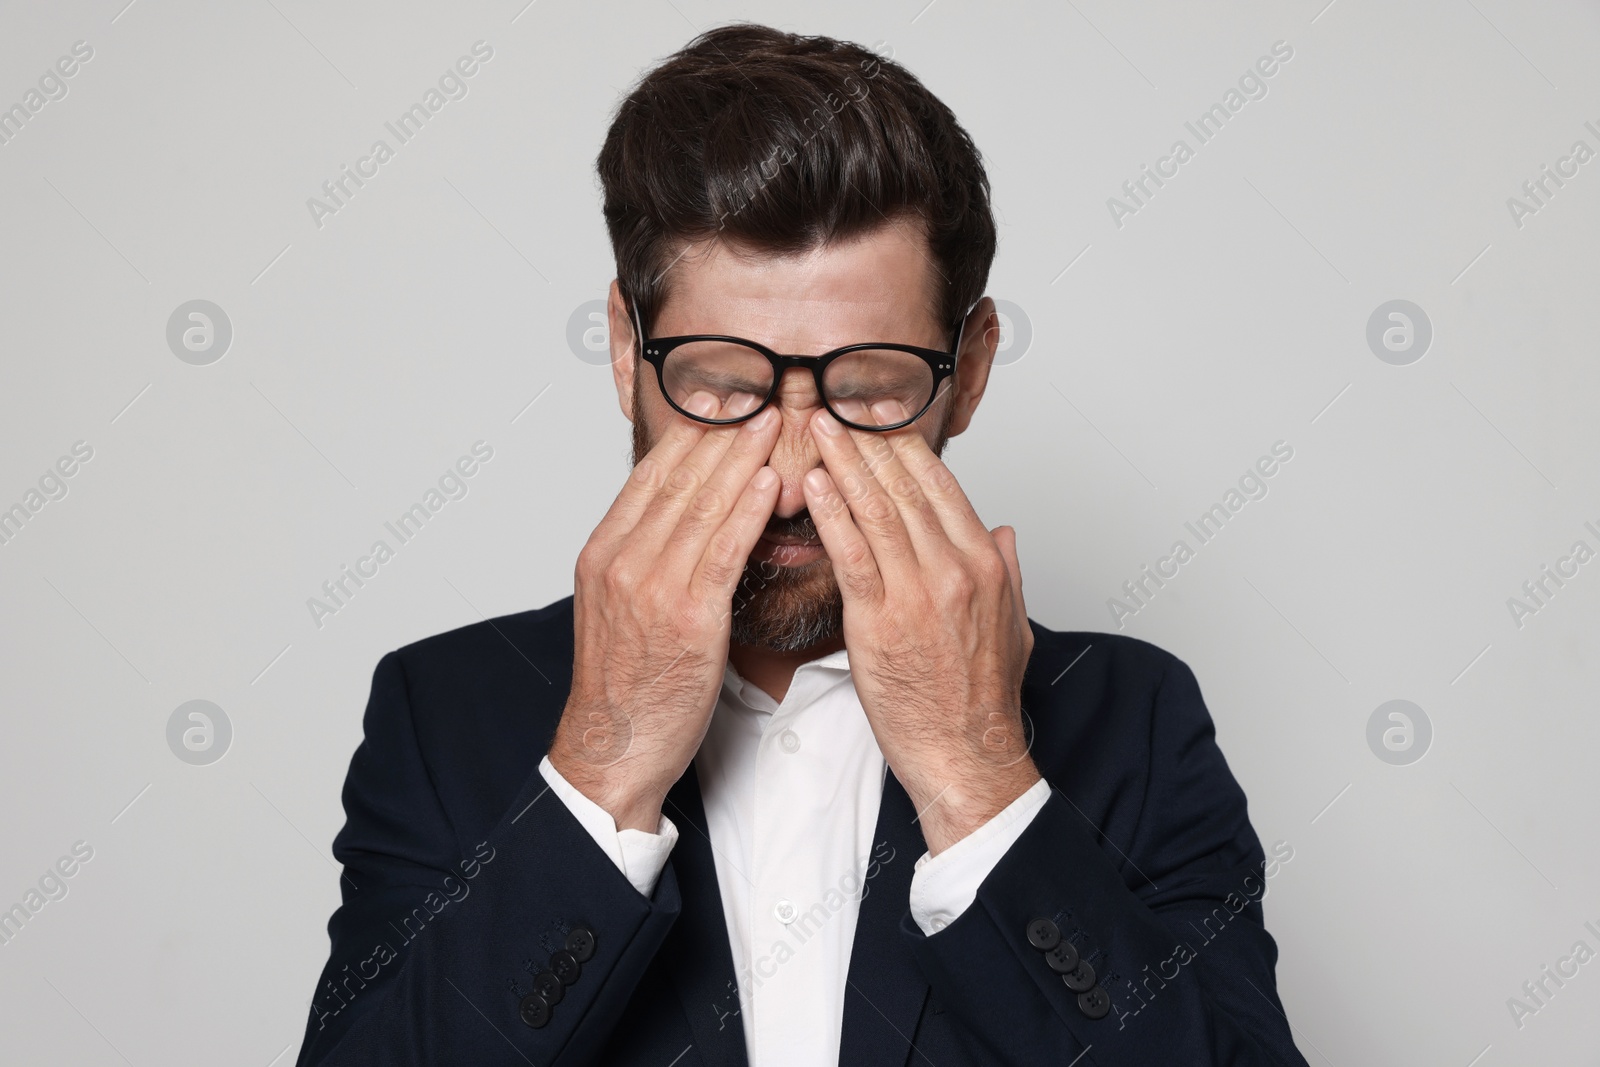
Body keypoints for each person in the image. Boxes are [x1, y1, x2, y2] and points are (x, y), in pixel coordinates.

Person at [295, 23, 1309, 1067]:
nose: (785, 473)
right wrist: (603, 770)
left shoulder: (1129, 718)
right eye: (722, 382)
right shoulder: (444, 711)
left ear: (968, 372)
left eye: (867, 388)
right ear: (620, 349)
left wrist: (977, 776)